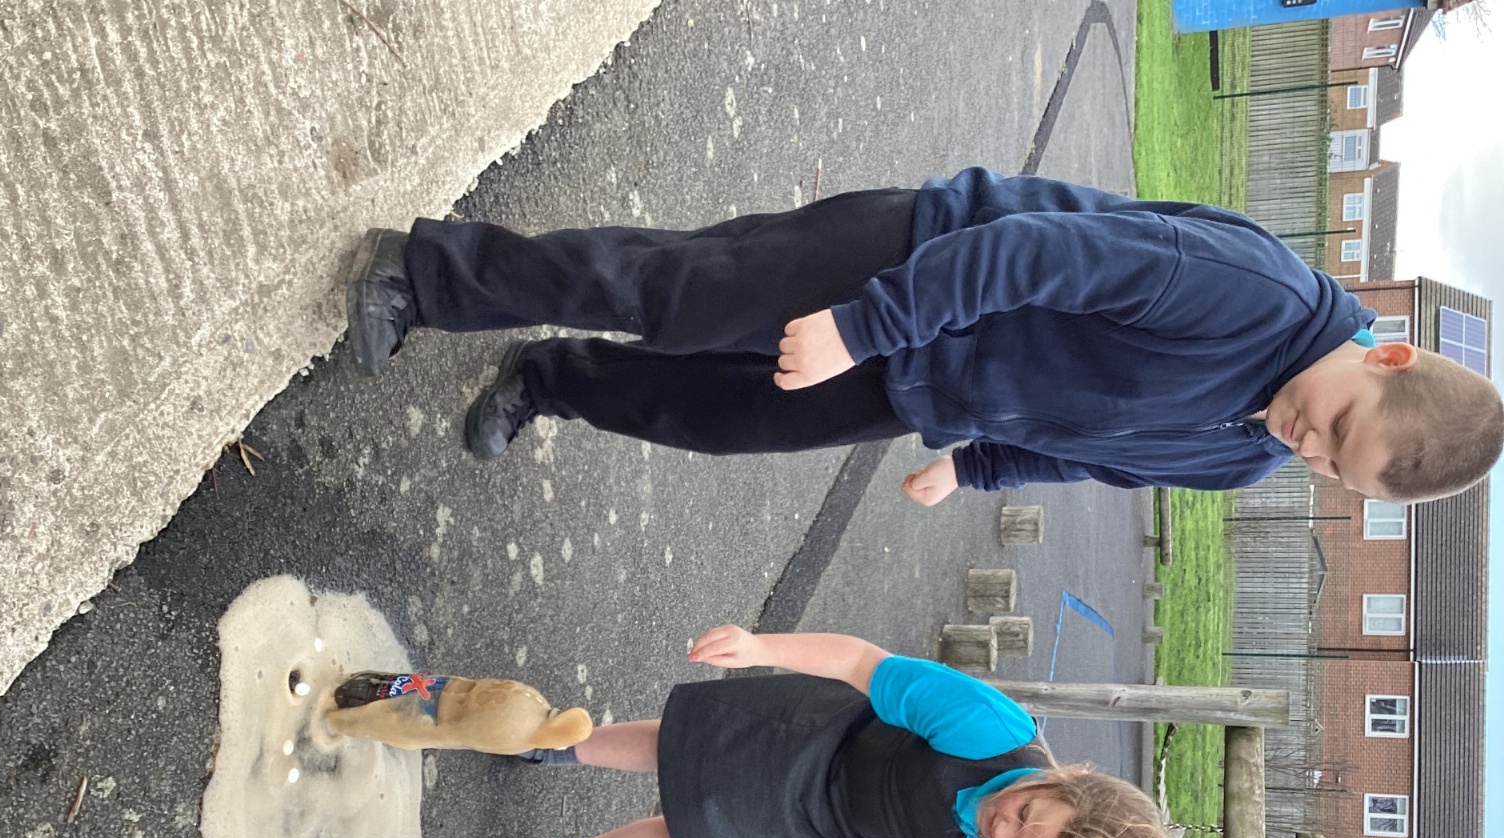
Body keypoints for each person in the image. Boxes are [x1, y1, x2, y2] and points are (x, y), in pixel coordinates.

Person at [345, 168, 1503, 505]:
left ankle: (544, 381)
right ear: (1386, 355)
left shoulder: (1245, 457)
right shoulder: (1253, 296)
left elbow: (1101, 456)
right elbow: (1036, 252)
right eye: (1336, 427)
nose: (1307, 447)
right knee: (670, 295)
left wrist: (980, 466)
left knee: (712, 415)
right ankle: (426, 275)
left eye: (1331, 471)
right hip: (909, 266)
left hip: (924, 390)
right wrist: (864, 323)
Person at [466, 624, 1171, 838]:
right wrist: (758, 647)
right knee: (680, 748)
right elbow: (862, 662)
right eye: (1025, 813)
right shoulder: (990, 731)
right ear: (1065, 780)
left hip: (834, 834)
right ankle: (555, 746)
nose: (1002, 829)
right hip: (830, 742)